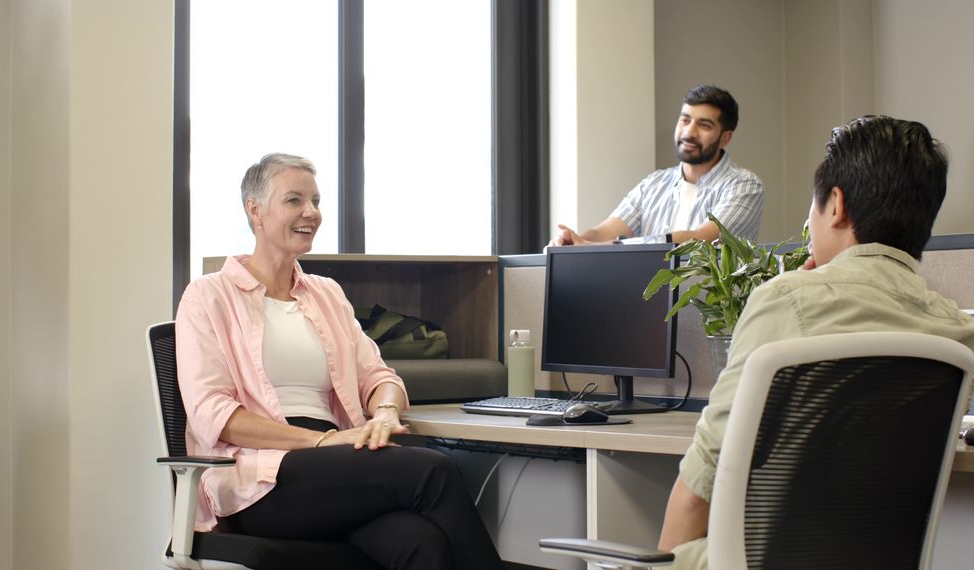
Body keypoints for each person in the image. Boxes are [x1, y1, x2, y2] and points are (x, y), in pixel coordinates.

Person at [656, 116, 974, 568]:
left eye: (812, 209)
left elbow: (700, 488)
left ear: (836, 205)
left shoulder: (786, 299)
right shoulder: (961, 336)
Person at [175, 153, 503, 570]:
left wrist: (384, 411)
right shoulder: (208, 296)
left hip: (335, 465)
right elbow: (213, 415)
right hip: (261, 478)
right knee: (433, 471)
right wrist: (321, 442)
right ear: (254, 210)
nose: (310, 213)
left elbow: (379, 375)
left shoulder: (326, 293)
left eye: (315, 201)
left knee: (422, 544)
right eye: (294, 200)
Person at [552, 84, 764, 247]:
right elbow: (604, 232)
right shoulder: (653, 184)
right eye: (685, 120)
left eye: (704, 125)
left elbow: (699, 241)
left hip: (712, 303)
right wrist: (574, 242)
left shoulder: (744, 185)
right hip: (649, 301)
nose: (689, 132)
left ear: (725, 138)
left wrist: (592, 247)